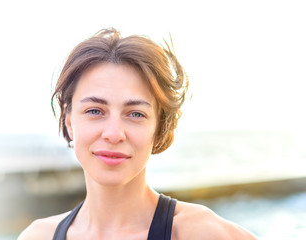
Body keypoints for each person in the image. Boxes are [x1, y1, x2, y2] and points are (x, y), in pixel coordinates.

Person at [18, 28, 257, 240]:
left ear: (159, 127)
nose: (113, 134)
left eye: (135, 114)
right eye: (94, 111)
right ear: (69, 122)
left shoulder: (200, 233)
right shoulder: (39, 236)